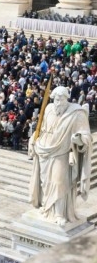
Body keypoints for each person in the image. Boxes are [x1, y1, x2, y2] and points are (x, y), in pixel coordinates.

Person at [29, 86, 92, 226]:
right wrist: (34, 138)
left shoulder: (77, 112)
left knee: (59, 182)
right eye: (56, 99)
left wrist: (79, 139)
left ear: (67, 98)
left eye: (61, 99)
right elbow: (43, 128)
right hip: (44, 150)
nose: (58, 102)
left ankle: (59, 214)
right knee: (45, 183)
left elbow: (86, 135)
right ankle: (47, 208)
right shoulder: (49, 109)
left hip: (62, 153)